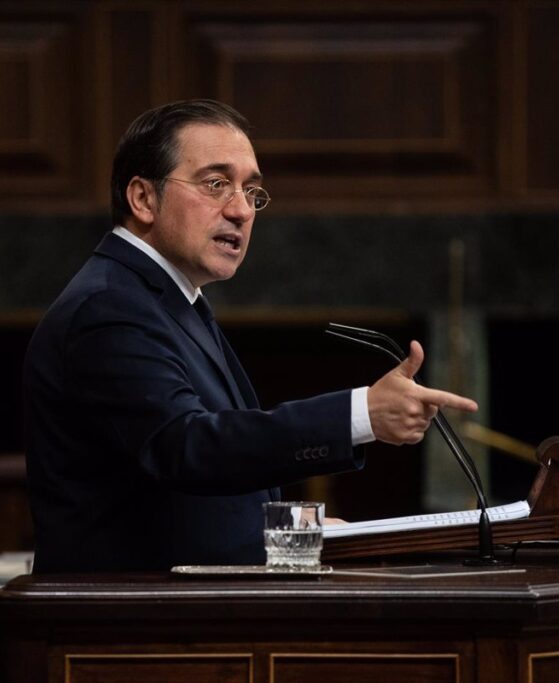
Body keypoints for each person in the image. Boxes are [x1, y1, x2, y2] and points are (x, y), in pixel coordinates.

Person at [24, 99, 477, 572]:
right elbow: (186, 449)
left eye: (251, 191)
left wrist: (299, 532)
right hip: (126, 613)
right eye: (215, 184)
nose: (241, 210)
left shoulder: (166, 299)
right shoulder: (109, 308)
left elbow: (182, 504)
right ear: (143, 199)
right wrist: (359, 414)